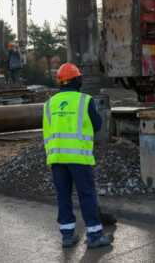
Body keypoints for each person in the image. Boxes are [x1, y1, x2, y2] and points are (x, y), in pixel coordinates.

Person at [43, 63, 114, 249]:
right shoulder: (85, 100)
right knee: (86, 195)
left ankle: (67, 236)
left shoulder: (49, 103)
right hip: (79, 158)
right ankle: (94, 236)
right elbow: (97, 125)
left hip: (57, 158)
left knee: (63, 196)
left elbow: (46, 130)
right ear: (77, 80)